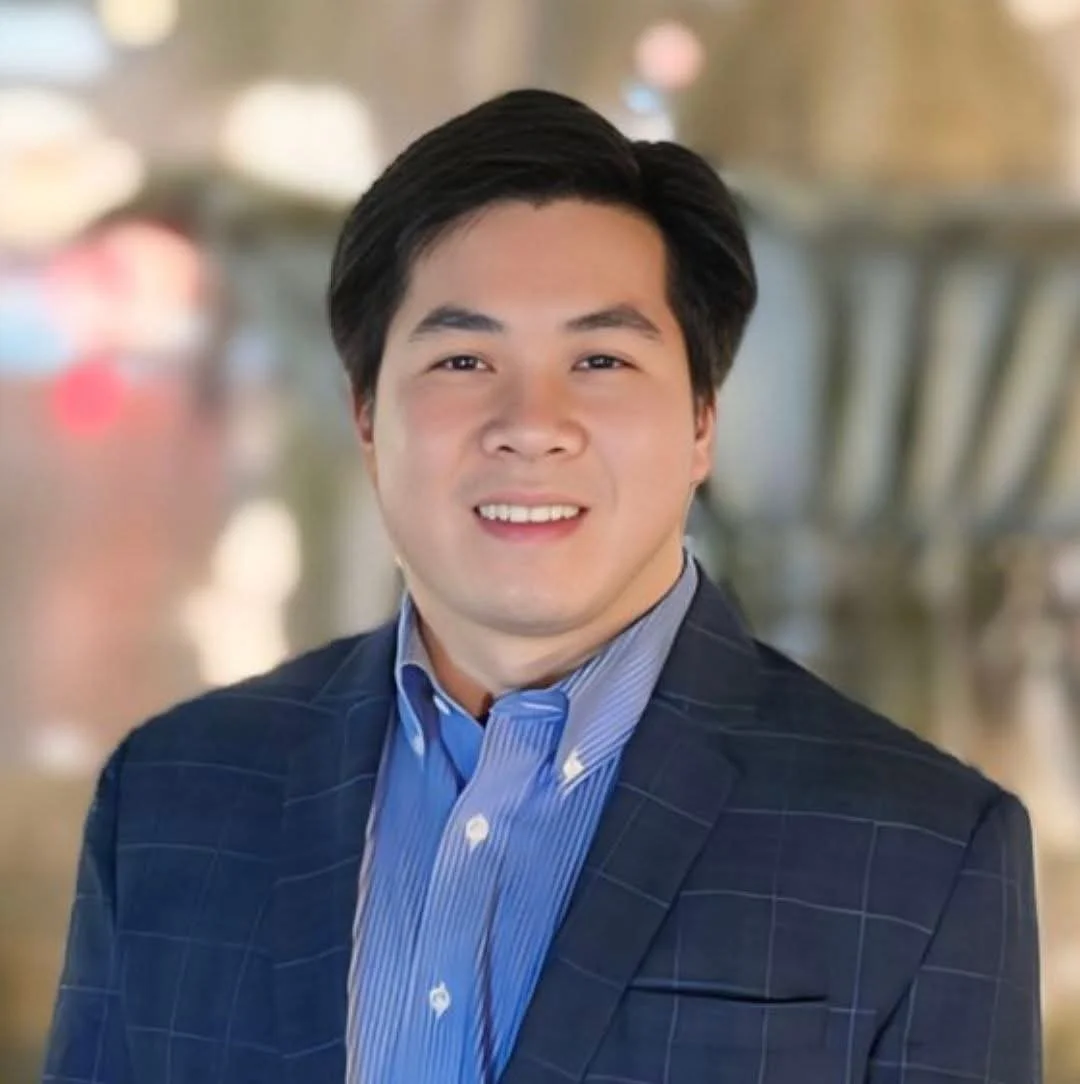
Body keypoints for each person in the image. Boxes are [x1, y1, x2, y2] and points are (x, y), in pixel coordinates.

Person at [43, 89, 1041, 1084]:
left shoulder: (926, 852)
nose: (531, 421)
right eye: (463, 357)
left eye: (600, 358)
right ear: (364, 416)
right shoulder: (171, 798)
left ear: (702, 420)